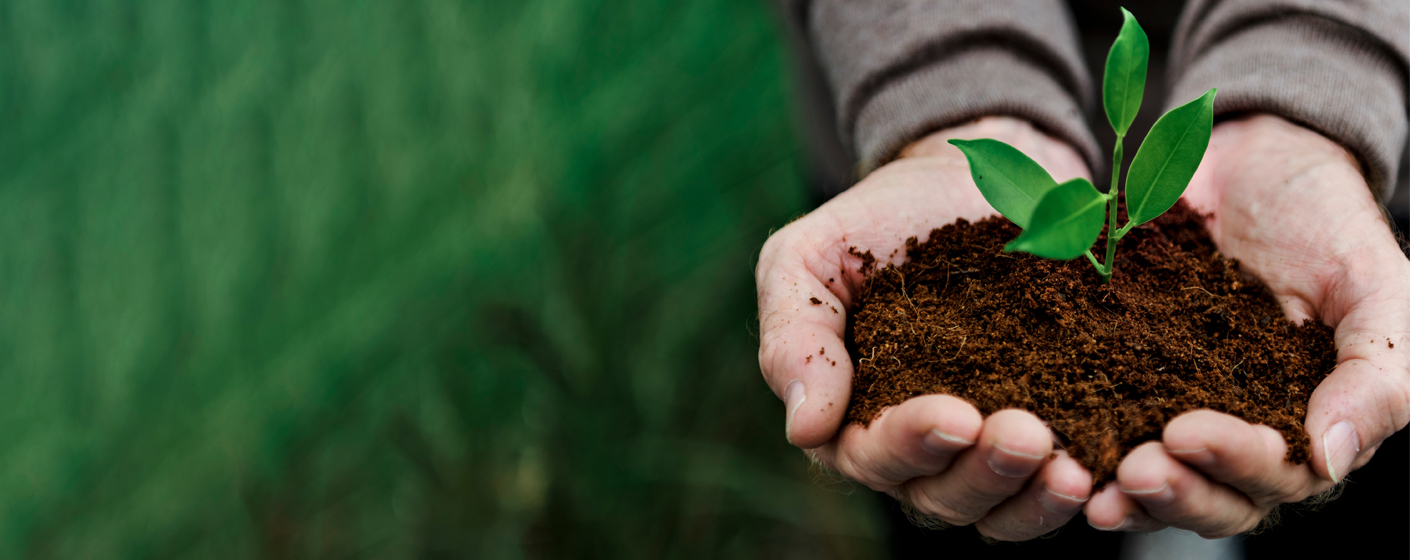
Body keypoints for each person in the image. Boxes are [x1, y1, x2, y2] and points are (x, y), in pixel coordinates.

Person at [756, 0, 1410, 551]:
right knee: (968, 489)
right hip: (893, 95)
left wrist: (1317, 75)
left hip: (1362, 109)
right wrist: (950, 79)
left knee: (1335, 481)